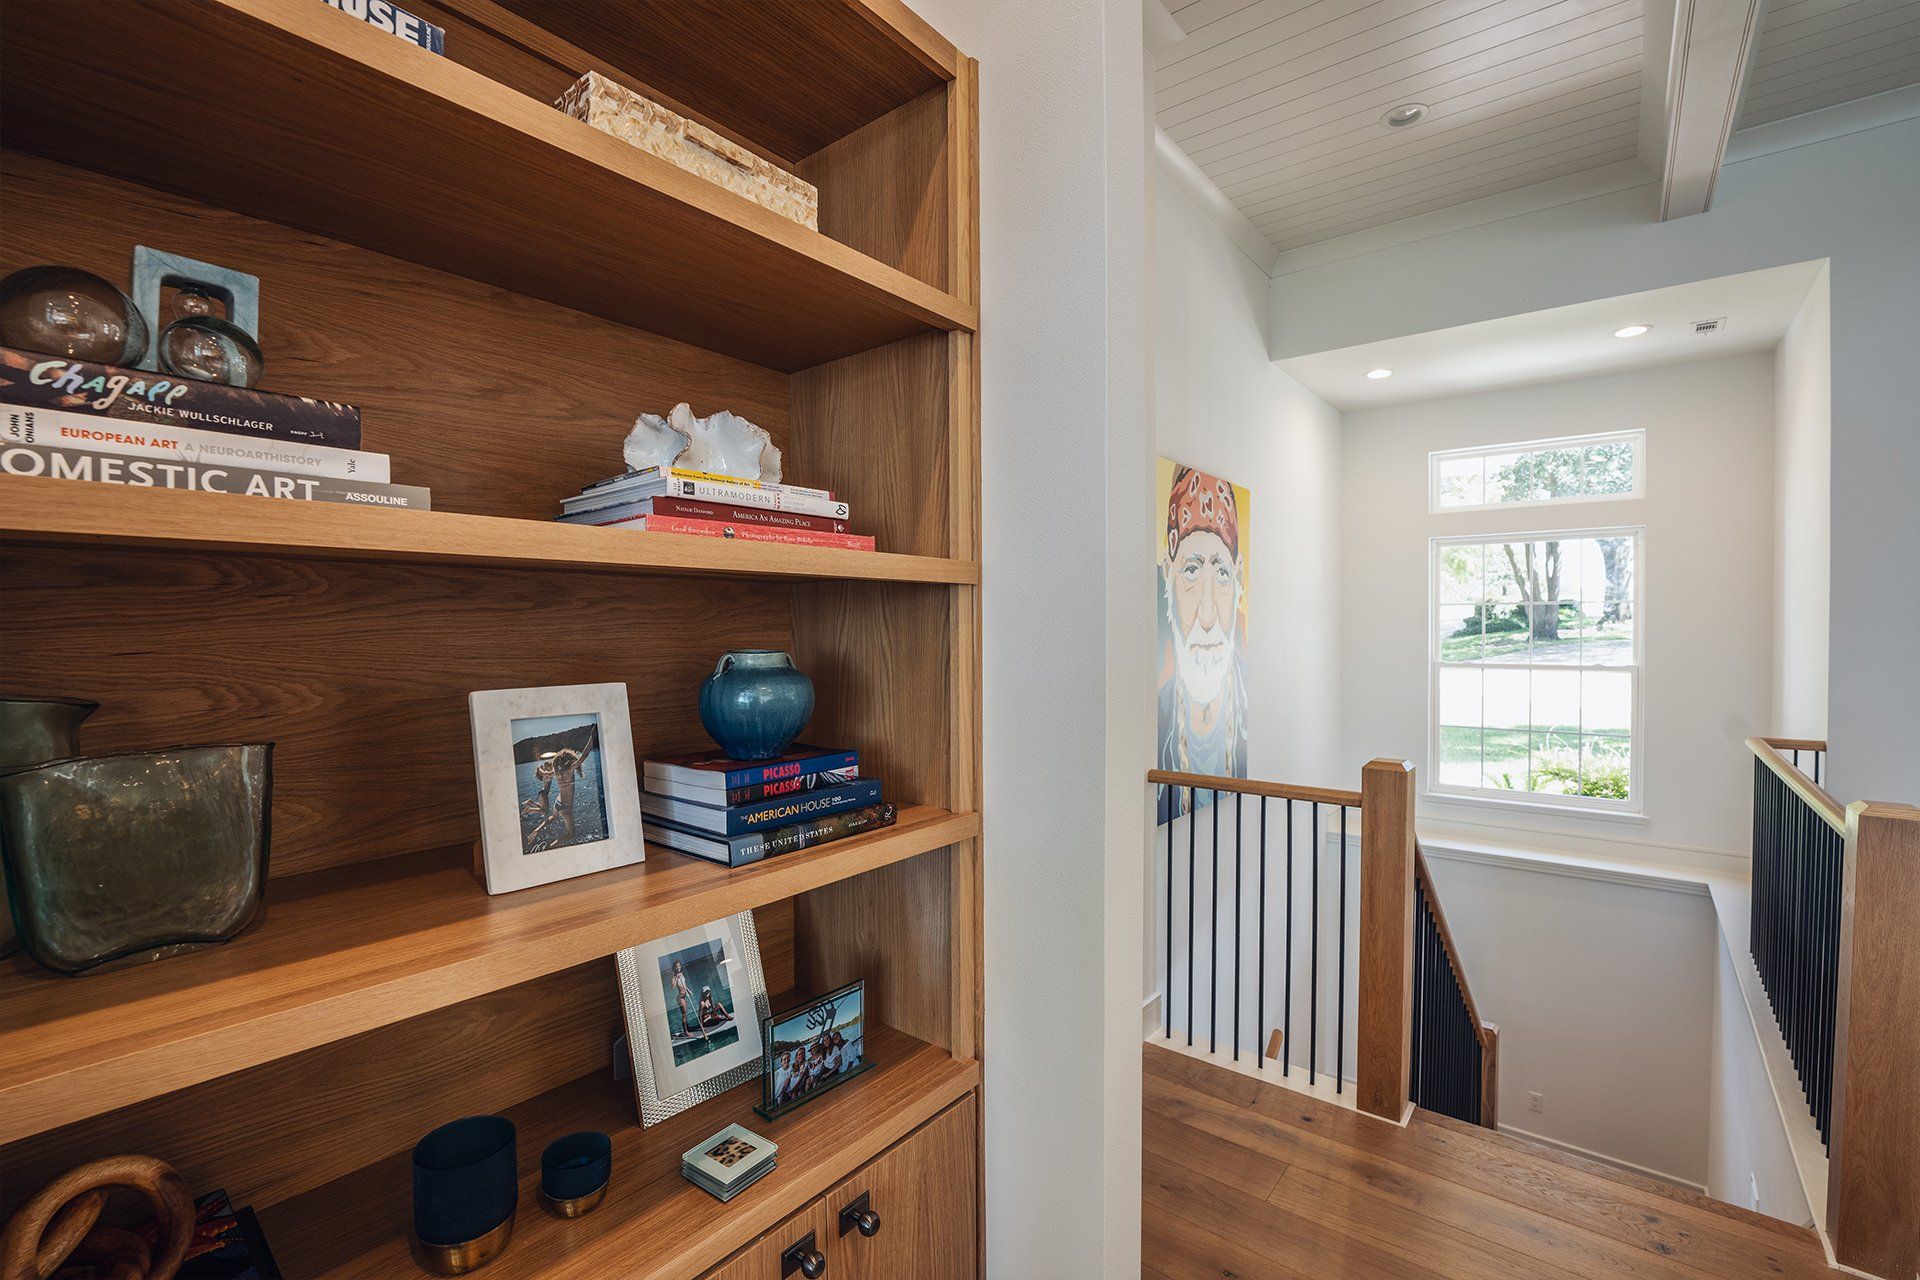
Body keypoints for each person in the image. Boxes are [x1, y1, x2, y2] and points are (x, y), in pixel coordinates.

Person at [1157, 465, 1249, 822]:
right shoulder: (1156, 720)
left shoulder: (1249, 702)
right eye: (1192, 571)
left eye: (1222, 574)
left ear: (1238, 578)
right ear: (1169, 574)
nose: (1208, 616)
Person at [669, 960, 703, 1043]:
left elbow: (684, 984)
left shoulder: (682, 974)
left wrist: (688, 990)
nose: (678, 967)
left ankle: (687, 1029)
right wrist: (676, 978)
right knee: (684, 1015)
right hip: (680, 998)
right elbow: (672, 987)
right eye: (676, 966)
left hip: (684, 996)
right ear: (674, 968)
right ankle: (686, 1032)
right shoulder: (674, 977)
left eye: (679, 965)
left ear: (680, 966)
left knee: (685, 1014)